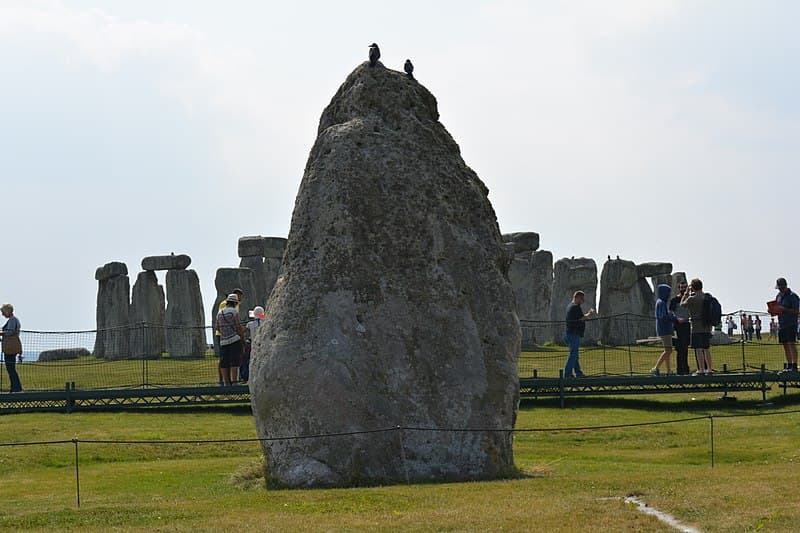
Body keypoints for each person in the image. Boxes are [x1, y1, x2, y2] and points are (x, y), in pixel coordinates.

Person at [680, 278, 713, 375]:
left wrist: (686, 293)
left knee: (698, 349)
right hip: (707, 327)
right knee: (706, 348)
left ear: (693, 288)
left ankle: (701, 370)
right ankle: (709, 369)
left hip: (696, 327)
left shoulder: (691, 299)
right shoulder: (707, 297)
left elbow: (682, 304)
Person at [563, 291, 596, 378]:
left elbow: (579, 318)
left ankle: (578, 373)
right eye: (582, 299)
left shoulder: (570, 306)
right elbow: (582, 318)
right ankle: (567, 374)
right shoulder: (575, 307)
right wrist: (590, 314)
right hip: (574, 334)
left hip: (569, 333)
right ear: (577, 297)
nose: (583, 301)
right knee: (573, 354)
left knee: (575, 355)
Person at [215, 293, 245, 386]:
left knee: (224, 362)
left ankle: (226, 382)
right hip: (234, 339)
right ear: (235, 303)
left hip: (223, 341)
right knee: (234, 361)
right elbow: (238, 326)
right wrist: (242, 336)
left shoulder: (220, 313)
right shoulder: (234, 312)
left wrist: (224, 333)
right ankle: (234, 382)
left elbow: (217, 327)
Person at [774, 278, 800, 372]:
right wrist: (772, 310)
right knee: (785, 345)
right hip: (782, 324)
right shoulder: (778, 296)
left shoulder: (793, 296)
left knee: (791, 343)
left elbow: (797, 311)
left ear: (785, 286)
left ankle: (794, 365)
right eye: (779, 288)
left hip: (791, 323)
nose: (780, 289)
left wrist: (784, 309)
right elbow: (777, 308)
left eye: (782, 287)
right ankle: (789, 365)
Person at [669, 281, 692, 375]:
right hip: (677, 327)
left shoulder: (690, 300)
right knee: (679, 349)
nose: (683, 289)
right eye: (681, 287)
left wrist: (686, 318)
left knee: (685, 349)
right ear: (679, 288)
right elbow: (671, 312)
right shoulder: (674, 300)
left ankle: (686, 369)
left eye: (684, 287)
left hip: (686, 326)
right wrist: (677, 319)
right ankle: (679, 370)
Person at [651, 284, 674, 376]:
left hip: (664, 329)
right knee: (669, 350)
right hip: (664, 329)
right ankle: (656, 368)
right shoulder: (661, 303)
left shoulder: (660, 302)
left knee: (667, 350)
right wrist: (674, 318)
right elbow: (663, 317)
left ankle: (668, 370)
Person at [0, 303, 23, 393]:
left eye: (3, 312)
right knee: (11, 369)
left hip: (10, 347)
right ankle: (14, 388)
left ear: (7, 311)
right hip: (11, 346)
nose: (2, 314)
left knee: (11, 369)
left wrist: (1, 333)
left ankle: (16, 388)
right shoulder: (13, 319)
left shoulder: (12, 320)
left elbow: (10, 332)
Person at [240, 306, 265, 383]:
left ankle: (246, 376)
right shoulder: (264, 323)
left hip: (253, 344)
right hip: (262, 344)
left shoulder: (250, 324)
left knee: (248, 361)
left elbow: (243, 331)